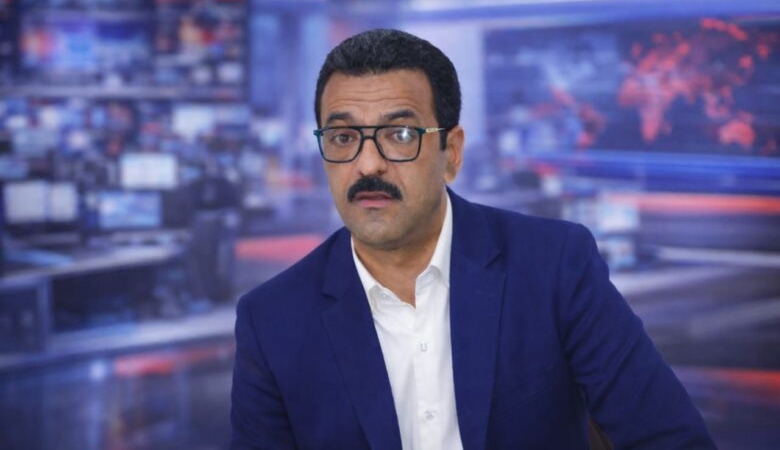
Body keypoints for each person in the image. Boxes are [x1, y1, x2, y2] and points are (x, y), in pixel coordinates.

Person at [230, 29, 715, 449]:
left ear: (452, 153)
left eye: (400, 135)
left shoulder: (553, 266)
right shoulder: (272, 318)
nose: (368, 164)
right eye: (343, 138)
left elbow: (670, 438)